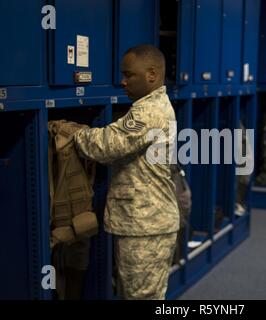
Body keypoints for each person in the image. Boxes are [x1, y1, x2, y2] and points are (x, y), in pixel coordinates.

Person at [73, 45, 179, 300]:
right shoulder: (154, 105)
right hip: (146, 223)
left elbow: (106, 146)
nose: (122, 82)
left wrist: (73, 133)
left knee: (141, 297)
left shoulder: (149, 112)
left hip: (145, 227)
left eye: (128, 74)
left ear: (151, 75)